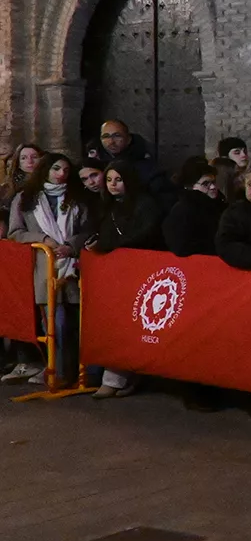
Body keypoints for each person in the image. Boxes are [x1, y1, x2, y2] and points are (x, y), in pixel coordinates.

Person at [4, 152, 93, 385]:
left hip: (71, 267)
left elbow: (86, 230)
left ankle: (71, 372)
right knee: (54, 323)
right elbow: (15, 232)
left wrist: (70, 246)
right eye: (56, 169)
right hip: (43, 268)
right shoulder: (26, 199)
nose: (61, 174)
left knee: (72, 323)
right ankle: (57, 371)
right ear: (46, 170)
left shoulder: (77, 198)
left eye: (65, 170)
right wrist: (44, 239)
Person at [87, 161, 166, 399]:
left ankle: (124, 377)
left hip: (140, 272)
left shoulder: (145, 205)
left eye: (118, 180)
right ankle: (115, 376)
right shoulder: (107, 207)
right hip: (114, 275)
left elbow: (146, 234)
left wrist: (108, 246)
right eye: (109, 180)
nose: (113, 185)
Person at [97, 120, 175, 206]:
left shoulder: (147, 168)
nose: (111, 141)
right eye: (105, 136)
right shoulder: (98, 162)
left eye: (117, 136)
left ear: (128, 139)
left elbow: (165, 200)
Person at [163, 156, 226, 257]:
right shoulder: (183, 210)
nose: (213, 187)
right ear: (190, 186)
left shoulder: (221, 205)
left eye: (213, 182)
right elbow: (180, 246)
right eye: (205, 184)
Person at [2, 143, 43, 212]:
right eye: (23, 158)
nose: (30, 161)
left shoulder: (50, 183)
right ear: (18, 163)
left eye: (34, 157)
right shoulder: (7, 188)